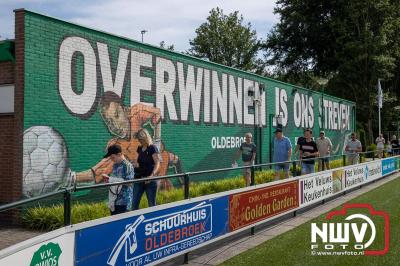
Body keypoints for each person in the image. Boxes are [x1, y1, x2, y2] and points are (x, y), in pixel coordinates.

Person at [74, 92, 182, 190]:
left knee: (170, 162)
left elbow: (156, 112)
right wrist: (72, 178)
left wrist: (157, 141)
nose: (115, 125)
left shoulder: (136, 113)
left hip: (157, 171)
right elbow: (99, 171)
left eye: (116, 115)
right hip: (143, 179)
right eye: (109, 122)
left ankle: (184, 185)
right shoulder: (117, 145)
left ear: (124, 110)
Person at [131, 129, 161, 210]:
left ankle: (153, 221)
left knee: (151, 204)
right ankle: (135, 221)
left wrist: (152, 176)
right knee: (134, 204)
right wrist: (135, 164)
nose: (139, 141)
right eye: (138, 139)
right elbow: (136, 161)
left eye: (140, 139)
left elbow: (157, 163)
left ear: (145, 138)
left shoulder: (152, 148)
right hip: (138, 179)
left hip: (150, 180)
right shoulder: (139, 148)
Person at [101, 144, 133, 215]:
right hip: (114, 200)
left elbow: (130, 183)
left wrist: (113, 180)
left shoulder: (127, 166)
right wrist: (108, 179)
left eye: (113, 158)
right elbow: (114, 179)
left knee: (122, 224)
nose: (112, 160)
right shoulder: (115, 165)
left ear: (119, 154)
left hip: (124, 201)